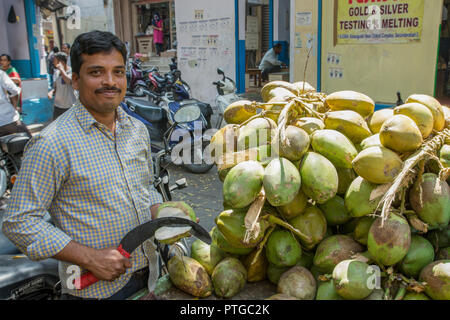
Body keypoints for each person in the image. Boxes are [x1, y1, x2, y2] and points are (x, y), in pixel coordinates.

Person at [2, 30, 164, 300]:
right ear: (75, 80)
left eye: (118, 72)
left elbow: (145, 188)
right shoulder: (52, 143)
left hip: (149, 277)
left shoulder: (137, 130)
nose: (110, 82)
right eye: (97, 72)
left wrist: (164, 211)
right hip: (94, 290)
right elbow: (19, 221)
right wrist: (90, 258)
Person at [0, 69, 31, 137]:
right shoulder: (1, 73)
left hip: (6, 118)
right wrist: (14, 107)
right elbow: (14, 90)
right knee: (30, 143)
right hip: (8, 118)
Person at [48, 52, 77, 119]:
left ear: (61, 62)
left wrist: (62, 70)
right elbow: (55, 88)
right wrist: (51, 92)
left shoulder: (71, 71)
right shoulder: (57, 72)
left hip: (69, 107)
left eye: (54, 60)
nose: (53, 62)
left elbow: (69, 81)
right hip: (58, 106)